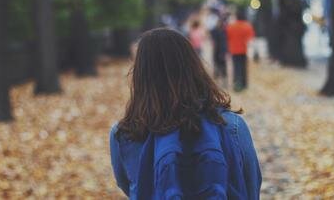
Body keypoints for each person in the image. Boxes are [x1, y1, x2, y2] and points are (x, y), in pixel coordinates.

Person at [110, 28, 261, 199]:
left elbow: (130, 186)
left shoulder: (124, 133)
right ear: (194, 68)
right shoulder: (231, 125)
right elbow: (251, 185)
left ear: (140, 75)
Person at [226, 8, 255, 92]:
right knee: (243, 67)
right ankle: (244, 84)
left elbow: (228, 37)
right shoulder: (247, 26)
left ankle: (237, 85)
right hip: (244, 50)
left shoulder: (231, 26)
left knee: (236, 67)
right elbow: (250, 39)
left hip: (234, 50)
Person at [210, 12, 229, 87]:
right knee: (219, 66)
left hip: (219, 50)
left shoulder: (220, 31)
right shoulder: (222, 31)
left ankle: (222, 82)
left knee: (221, 66)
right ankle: (220, 82)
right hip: (219, 51)